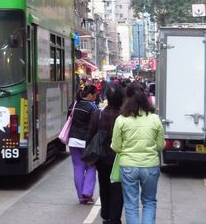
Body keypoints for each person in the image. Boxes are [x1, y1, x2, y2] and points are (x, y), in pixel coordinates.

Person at [111, 83, 165, 224]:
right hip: (150, 166)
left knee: (131, 205)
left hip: (128, 166)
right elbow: (160, 145)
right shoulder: (155, 119)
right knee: (149, 202)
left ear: (126, 99)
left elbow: (116, 147)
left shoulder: (121, 120)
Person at [86, 84, 125, 224]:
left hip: (102, 159)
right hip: (119, 159)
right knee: (117, 189)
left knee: (104, 187)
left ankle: (106, 216)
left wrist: (90, 159)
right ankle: (115, 218)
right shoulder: (124, 116)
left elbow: (90, 136)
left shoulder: (99, 114)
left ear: (107, 98)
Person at [68, 84, 99, 204]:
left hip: (73, 140)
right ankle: (87, 192)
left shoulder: (74, 105)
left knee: (78, 167)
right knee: (91, 166)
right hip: (87, 142)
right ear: (90, 95)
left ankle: (81, 197)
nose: (96, 97)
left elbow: (69, 121)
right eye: (95, 95)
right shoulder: (93, 107)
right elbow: (95, 125)